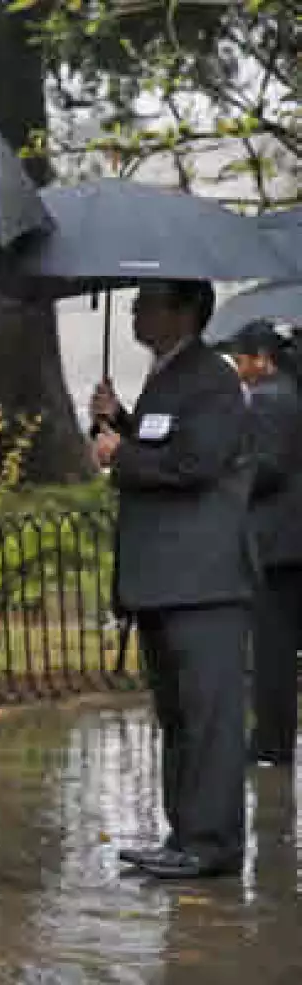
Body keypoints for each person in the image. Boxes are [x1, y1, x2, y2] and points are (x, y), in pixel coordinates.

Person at [91, 280, 254, 879]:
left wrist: (120, 454)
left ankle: (212, 842)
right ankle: (184, 833)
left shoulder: (211, 377)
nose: (135, 311)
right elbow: (164, 448)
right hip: (164, 581)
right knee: (179, 716)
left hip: (202, 582)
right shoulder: (168, 375)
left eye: (148, 302)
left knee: (209, 718)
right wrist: (121, 424)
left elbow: (196, 462)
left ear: (184, 310)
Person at [226, 322, 302, 769]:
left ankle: (271, 743)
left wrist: (231, 481)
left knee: (273, 651)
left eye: (240, 360)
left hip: (279, 545)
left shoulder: (270, 399)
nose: (238, 371)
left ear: (260, 358)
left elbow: (268, 468)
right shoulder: (291, 391)